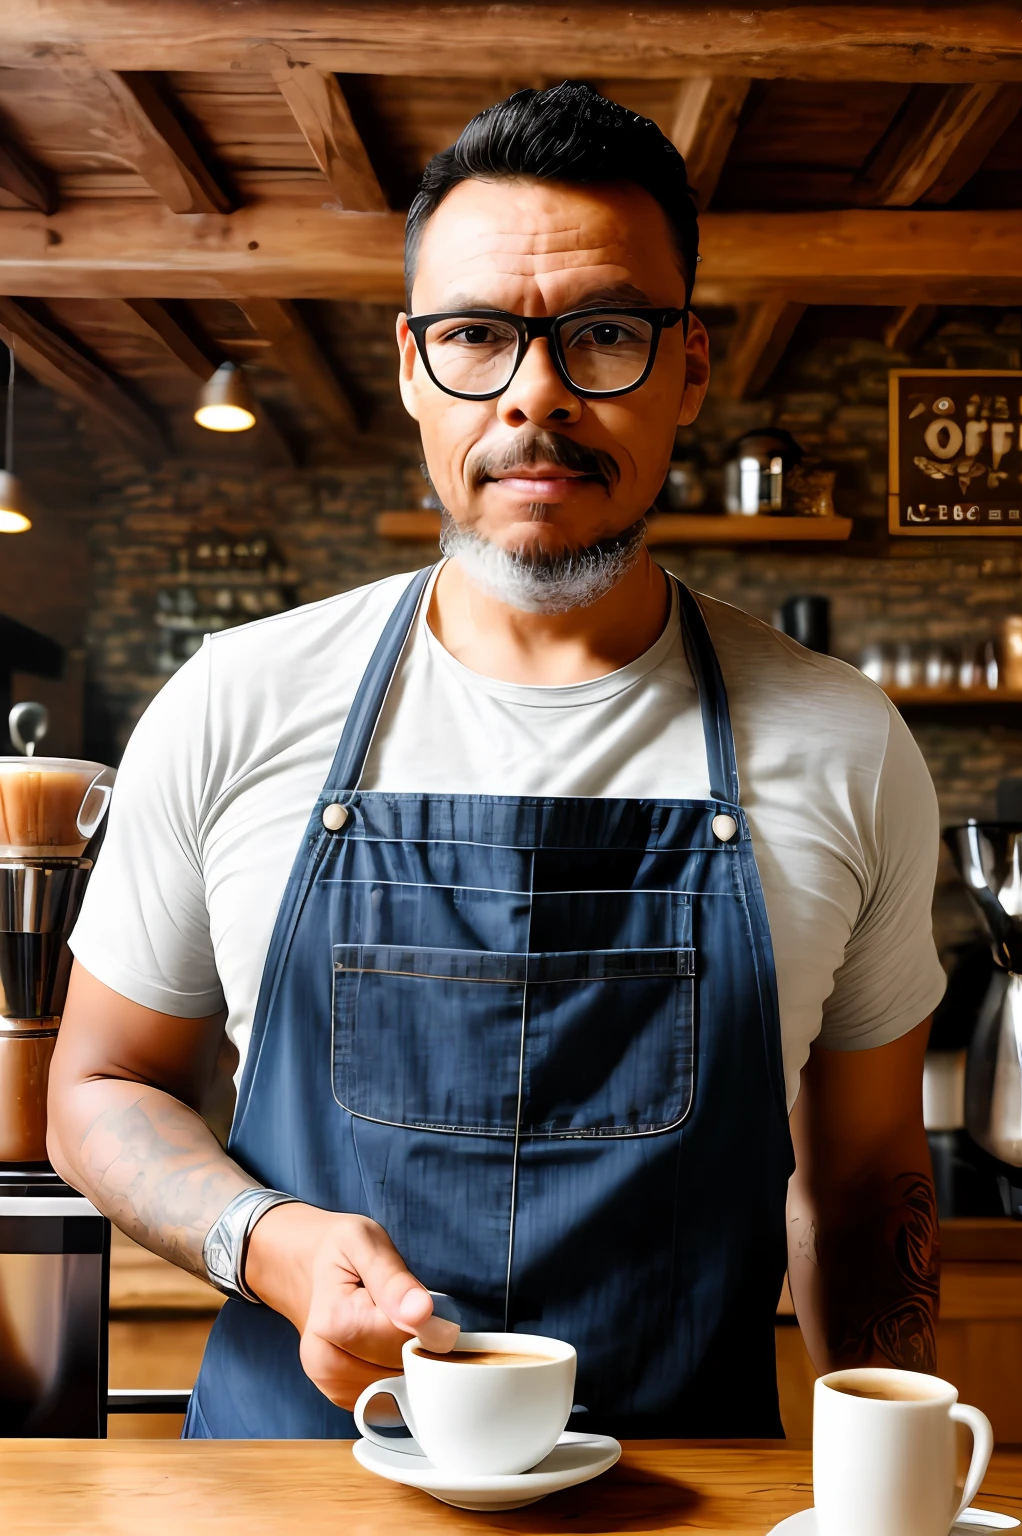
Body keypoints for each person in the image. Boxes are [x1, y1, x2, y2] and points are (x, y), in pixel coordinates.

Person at [47, 83, 946, 1440]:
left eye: (602, 336)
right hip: (294, 1506)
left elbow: (872, 1178)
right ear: (413, 365)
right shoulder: (235, 702)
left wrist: (891, 1472)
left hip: (689, 1507)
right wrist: (271, 1241)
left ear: (688, 365)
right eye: (478, 335)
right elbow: (99, 1086)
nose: (537, 394)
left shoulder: (843, 742)